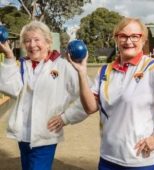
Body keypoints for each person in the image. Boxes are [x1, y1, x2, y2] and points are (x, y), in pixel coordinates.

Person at [68, 17, 154, 170]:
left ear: (144, 40)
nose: (129, 41)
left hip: (142, 160)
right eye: (123, 36)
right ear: (116, 39)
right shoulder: (104, 71)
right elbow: (90, 107)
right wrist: (81, 72)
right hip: (109, 158)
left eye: (135, 36)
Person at [0, 21, 88, 170]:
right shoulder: (22, 65)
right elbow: (10, 89)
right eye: (27, 41)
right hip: (23, 136)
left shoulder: (63, 66)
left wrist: (66, 117)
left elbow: (88, 95)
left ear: (48, 43)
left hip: (45, 135)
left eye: (36, 39)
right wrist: (9, 56)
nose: (32, 44)